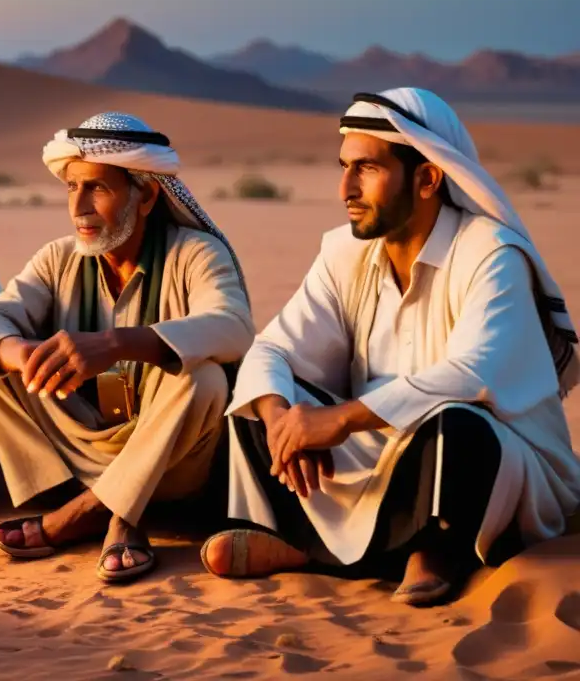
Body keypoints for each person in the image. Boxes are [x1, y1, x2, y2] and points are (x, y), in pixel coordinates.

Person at [203, 88, 580, 606]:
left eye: (366, 168)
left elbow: (473, 372)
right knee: (258, 396)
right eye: (344, 167)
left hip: (495, 460)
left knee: (456, 425)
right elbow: (274, 349)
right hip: (377, 451)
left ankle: (426, 550)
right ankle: (347, 548)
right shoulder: (344, 252)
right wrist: (281, 421)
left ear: (427, 179)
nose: (346, 188)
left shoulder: (491, 253)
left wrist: (339, 420)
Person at [0, 112, 255, 583]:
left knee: (205, 379)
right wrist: (23, 354)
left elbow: (234, 327)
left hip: (170, 461)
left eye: (97, 188)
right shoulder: (57, 259)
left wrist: (116, 344)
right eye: (72, 188)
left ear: (147, 195)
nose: (79, 208)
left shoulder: (195, 253)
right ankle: (101, 501)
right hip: (79, 452)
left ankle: (92, 515)